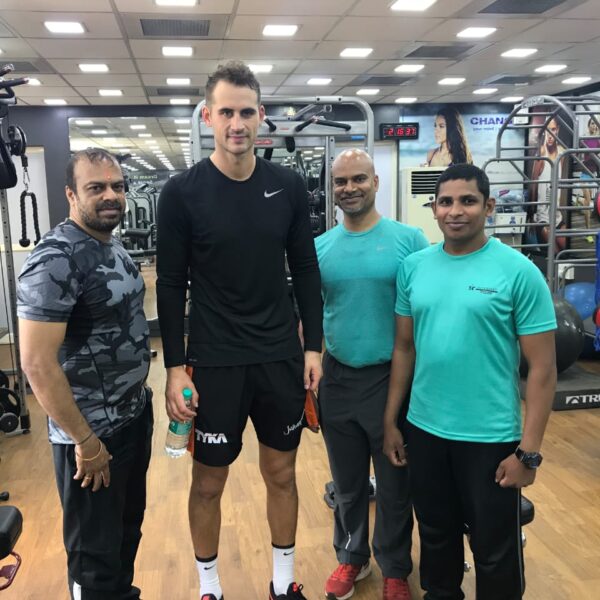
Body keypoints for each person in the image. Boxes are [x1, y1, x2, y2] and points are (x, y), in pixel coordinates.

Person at [156, 61, 323, 600]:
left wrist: (313, 348)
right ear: (208, 116)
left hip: (278, 355)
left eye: (246, 112)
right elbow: (170, 283)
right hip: (214, 361)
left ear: (261, 116)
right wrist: (174, 367)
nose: (237, 123)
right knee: (208, 482)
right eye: (225, 112)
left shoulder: (288, 185)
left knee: (282, 474)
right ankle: (210, 587)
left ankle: (283, 582)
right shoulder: (180, 192)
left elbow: (306, 269)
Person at [383, 164, 557, 600]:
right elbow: (404, 348)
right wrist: (391, 421)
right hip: (425, 430)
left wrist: (529, 453)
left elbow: (543, 369)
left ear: (488, 206)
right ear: (434, 208)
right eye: (446, 202)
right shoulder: (414, 268)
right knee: (436, 536)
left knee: (494, 549)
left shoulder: (518, 272)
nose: (455, 211)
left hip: (490, 437)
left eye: (467, 201)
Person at [17, 148, 153, 600]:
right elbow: (36, 362)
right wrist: (85, 441)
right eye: (96, 187)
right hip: (92, 437)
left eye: (117, 186)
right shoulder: (55, 258)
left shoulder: (108, 243)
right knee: (94, 559)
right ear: (71, 194)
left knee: (125, 536)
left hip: (131, 418)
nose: (110, 195)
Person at [316, 149, 428, 600]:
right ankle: (352, 557)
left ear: (376, 182)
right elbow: (312, 315)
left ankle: (395, 568)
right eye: (341, 181)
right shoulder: (320, 248)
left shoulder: (410, 240)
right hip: (337, 378)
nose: (349, 188)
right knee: (347, 483)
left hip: (391, 380)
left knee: (396, 483)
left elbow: (427, 310)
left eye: (358, 179)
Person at [528, 117, 568, 249]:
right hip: (542, 217)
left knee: (565, 249)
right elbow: (533, 186)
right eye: (547, 130)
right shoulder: (541, 153)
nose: (550, 135)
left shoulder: (562, 153)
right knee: (554, 252)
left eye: (553, 129)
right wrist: (531, 214)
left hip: (556, 215)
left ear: (558, 130)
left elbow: (559, 182)